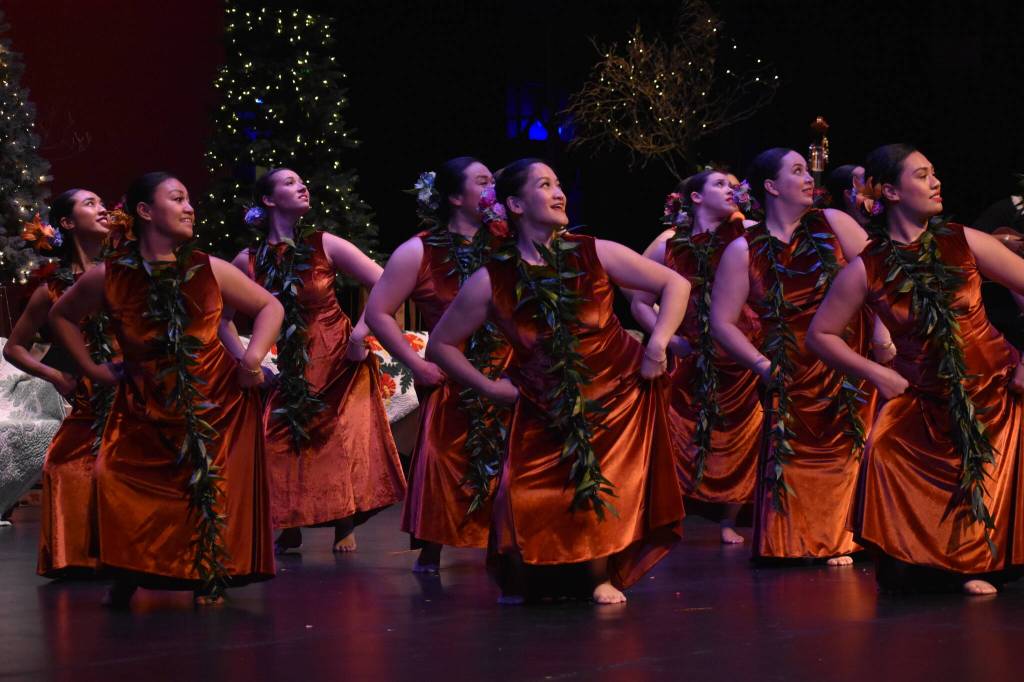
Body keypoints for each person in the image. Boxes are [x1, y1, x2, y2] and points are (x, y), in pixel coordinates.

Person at [427, 158, 689, 604]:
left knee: (605, 487)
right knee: (524, 492)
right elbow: (440, 346)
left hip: (617, 397)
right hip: (542, 399)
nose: (558, 192)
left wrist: (658, 343)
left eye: (559, 184)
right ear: (513, 204)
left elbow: (675, 285)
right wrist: (490, 388)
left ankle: (598, 576)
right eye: (544, 185)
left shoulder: (594, 251)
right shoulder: (492, 280)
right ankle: (527, 573)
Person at [48, 172, 283, 606]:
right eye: (177, 198)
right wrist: (93, 369)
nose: (189, 207)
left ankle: (207, 574)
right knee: (114, 477)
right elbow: (61, 317)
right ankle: (128, 567)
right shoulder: (110, 275)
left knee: (206, 489)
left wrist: (253, 359)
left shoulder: (208, 268)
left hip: (215, 401)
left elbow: (270, 305)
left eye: (189, 199)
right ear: (145, 211)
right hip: (144, 402)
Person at [807, 144, 1024, 595]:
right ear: (889, 191)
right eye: (922, 175)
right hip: (926, 394)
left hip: (996, 388)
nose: (936, 182)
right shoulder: (868, 268)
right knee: (884, 449)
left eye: (934, 173)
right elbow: (820, 335)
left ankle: (982, 564)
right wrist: (877, 373)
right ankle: (944, 565)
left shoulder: (962, 241)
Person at [711, 148, 883, 565]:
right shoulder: (743, 250)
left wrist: (882, 332)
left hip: (846, 363)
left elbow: (882, 276)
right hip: (789, 373)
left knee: (848, 452)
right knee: (794, 457)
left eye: (808, 171)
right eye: (797, 171)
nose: (809, 178)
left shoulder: (834, 223)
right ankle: (796, 540)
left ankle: (845, 538)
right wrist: (761, 365)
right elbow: (722, 322)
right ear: (771, 186)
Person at [223, 168, 405, 555]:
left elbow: (385, 282)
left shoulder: (325, 244)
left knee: (336, 441)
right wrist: (249, 362)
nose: (302, 185)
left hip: (340, 356)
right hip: (293, 365)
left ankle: (344, 522)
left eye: (302, 180)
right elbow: (220, 321)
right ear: (268, 201)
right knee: (279, 439)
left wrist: (360, 333)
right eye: (289, 183)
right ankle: (289, 523)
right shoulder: (247, 261)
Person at [364, 157, 508, 572]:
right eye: (483, 182)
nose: (492, 190)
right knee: (446, 460)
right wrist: (414, 363)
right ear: (453, 196)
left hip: (506, 369)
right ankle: (432, 546)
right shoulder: (419, 250)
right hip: (449, 373)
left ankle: (511, 541)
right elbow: (378, 312)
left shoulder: (504, 241)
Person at [630, 171, 762, 544]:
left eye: (734, 185)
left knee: (744, 437)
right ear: (695, 198)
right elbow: (639, 301)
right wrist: (669, 341)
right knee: (676, 431)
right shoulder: (669, 243)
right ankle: (667, 512)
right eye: (720, 184)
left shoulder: (749, 232)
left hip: (743, 355)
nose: (731, 190)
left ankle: (729, 520)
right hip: (693, 354)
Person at [3, 189, 113, 577]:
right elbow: (14, 348)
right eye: (90, 204)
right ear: (66, 223)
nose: (102, 209)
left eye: (103, 203)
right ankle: (80, 556)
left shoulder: (127, 273)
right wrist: (55, 377)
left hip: (132, 391)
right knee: (67, 466)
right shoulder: (50, 290)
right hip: (87, 399)